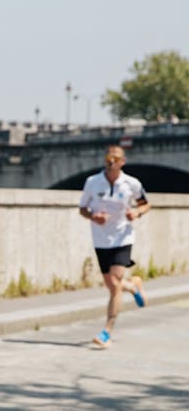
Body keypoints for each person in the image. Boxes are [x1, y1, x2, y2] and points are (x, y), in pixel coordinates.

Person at [79, 144, 150, 348]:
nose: (111, 163)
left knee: (114, 284)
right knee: (112, 284)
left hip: (123, 238)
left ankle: (107, 331)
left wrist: (137, 213)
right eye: (108, 160)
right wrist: (94, 217)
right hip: (101, 239)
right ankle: (133, 285)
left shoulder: (131, 183)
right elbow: (82, 209)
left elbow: (146, 203)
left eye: (115, 160)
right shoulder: (92, 182)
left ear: (122, 162)